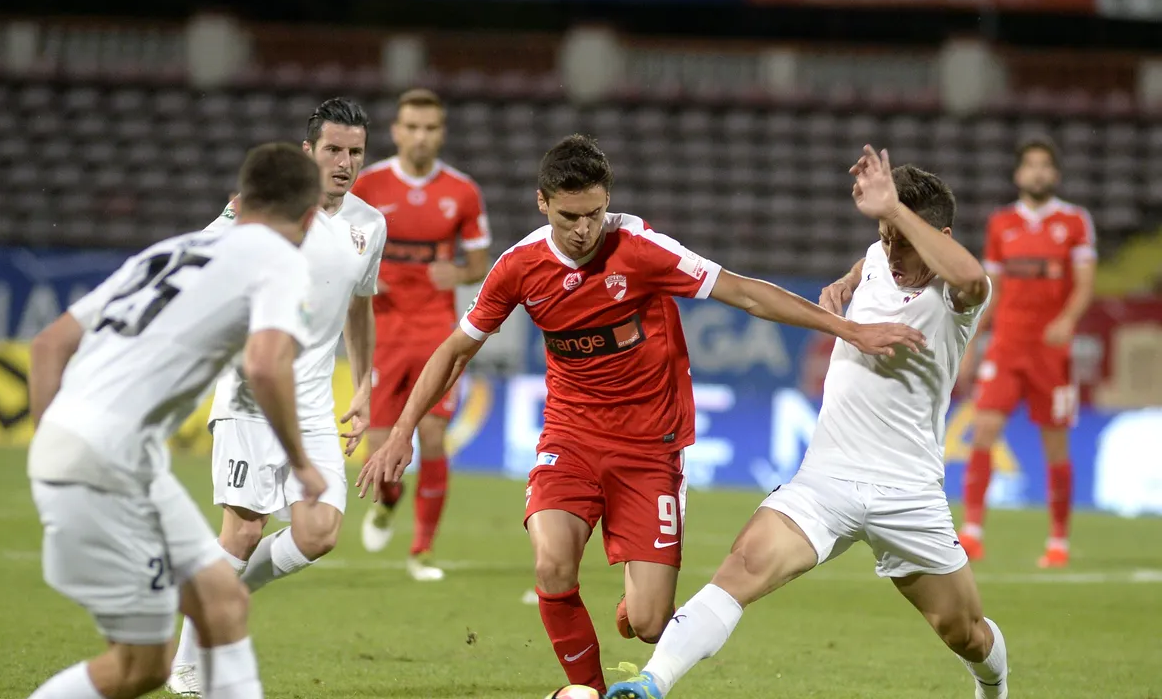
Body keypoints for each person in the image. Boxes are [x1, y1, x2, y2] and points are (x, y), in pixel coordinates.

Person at [356, 135, 924, 693]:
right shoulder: (519, 267)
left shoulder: (642, 248)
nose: (583, 229)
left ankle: (639, 603)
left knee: (652, 624)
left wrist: (848, 329)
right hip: (570, 438)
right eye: (569, 216)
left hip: (651, 446)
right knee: (553, 566)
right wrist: (401, 432)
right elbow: (456, 349)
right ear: (542, 203)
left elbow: (745, 293)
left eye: (595, 213)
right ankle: (589, 691)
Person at [605, 147, 1007, 699]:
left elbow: (975, 276)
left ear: (940, 232)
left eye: (904, 238)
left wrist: (896, 211)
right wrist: (845, 282)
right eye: (885, 234)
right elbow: (869, 259)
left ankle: (994, 685)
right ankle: (652, 682)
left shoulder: (956, 297)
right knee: (743, 566)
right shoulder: (877, 255)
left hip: (908, 491)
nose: (891, 250)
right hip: (827, 478)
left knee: (963, 632)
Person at [24, 143, 326, 699]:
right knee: (140, 666)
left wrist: (56, 448)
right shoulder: (281, 259)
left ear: (242, 199)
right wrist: (302, 463)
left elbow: (48, 346)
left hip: (116, 457)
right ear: (309, 217)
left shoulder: (172, 250)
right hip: (105, 462)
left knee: (223, 602)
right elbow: (264, 364)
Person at [167, 97, 385, 695]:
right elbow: (197, 260)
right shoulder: (262, 210)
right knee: (241, 530)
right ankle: (187, 658)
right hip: (248, 392)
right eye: (334, 150)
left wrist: (363, 383)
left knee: (319, 532)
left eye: (356, 153)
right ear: (308, 150)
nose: (344, 163)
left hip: (313, 403)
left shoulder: (369, 225)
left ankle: (220, 593)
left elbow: (359, 305)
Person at [350, 88, 492, 581]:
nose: (420, 136)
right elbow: (338, 244)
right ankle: (389, 501)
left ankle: (421, 550)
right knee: (377, 448)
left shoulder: (463, 191)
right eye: (412, 126)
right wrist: (362, 271)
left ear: (441, 133)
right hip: (382, 330)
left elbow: (479, 262)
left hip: (436, 330)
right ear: (396, 131)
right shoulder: (367, 185)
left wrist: (462, 274)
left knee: (432, 435)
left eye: (430, 128)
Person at [959, 136, 1096, 569]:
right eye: (1030, 166)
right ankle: (973, 533)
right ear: (1018, 175)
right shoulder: (1001, 224)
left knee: (1055, 444)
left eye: (1044, 166)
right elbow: (991, 291)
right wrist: (970, 341)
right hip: (1006, 344)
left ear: (1054, 174)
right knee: (983, 431)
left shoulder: (1074, 221)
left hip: (1051, 351)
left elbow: (1086, 282)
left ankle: (1058, 540)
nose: (1037, 173)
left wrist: (1067, 320)